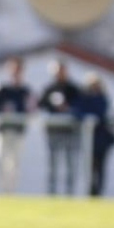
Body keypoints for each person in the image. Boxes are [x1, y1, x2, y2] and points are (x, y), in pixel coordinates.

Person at [38, 59, 81, 195]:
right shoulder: (49, 88)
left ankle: (69, 193)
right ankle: (52, 193)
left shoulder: (73, 89)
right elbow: (41, 104)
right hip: (53, 131)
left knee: (70, 164)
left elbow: (80, 106)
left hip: (70, 131)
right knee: (53, 165)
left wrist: (68, 108)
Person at [0, 57, 31, 194]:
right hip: (2, 131)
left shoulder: (25, 90)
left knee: (14, 163)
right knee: (0, 162)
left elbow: (30, 109)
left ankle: (11, 192)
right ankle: (1, 191)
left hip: (17, 132)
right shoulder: (2, 89)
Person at [75, 73, 114, 198]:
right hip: (88, 140)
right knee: (89, 167)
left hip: (101, 140)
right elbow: (77, 112)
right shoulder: (83, 98)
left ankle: (98, 192)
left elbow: (100, 114)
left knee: (100, 168)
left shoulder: (102, 98)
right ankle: (89, 190)